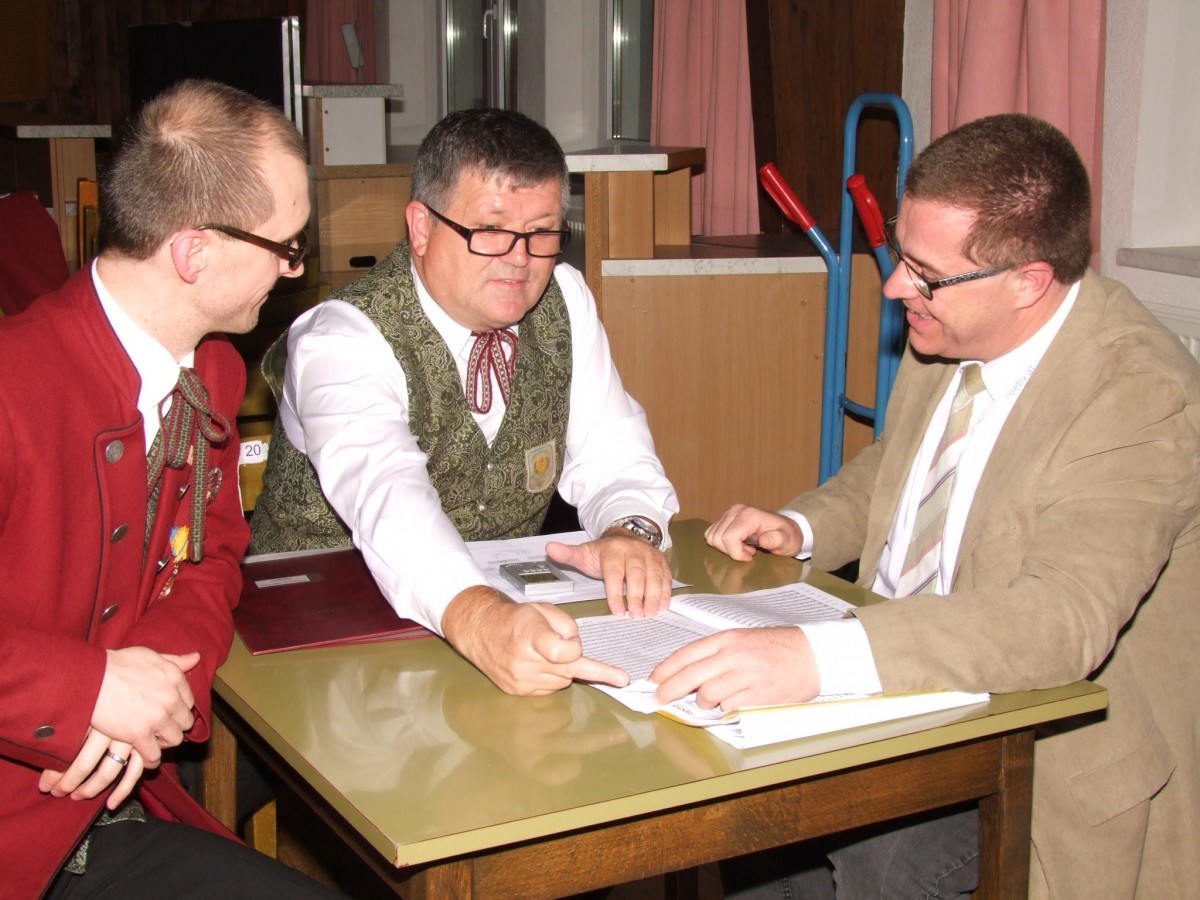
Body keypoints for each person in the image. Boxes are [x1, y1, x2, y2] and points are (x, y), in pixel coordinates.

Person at [654, 114, 1200, 898]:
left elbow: (1060, 620)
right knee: (746, 809)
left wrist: (813, 659)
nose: (895, 287)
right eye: (901, 254)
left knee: (884, 856)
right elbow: (900, 463)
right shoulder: (952, 325)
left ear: (1028, 282)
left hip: (1038, 734)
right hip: (910, 678)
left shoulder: (1137, 396)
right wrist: (804, 526)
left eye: (924, 273)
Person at [0, 80, 343, 897]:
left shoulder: (212, 369)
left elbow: (214, 554)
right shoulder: (13, 384)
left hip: (121, 793)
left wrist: (154, 685)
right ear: (194, 253)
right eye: (287, 245)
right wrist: (89, 690)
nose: (294, 268)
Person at [248, 108, 678, 697]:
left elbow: (612, 451)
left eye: (542, 233)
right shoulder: (341, 337)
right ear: (422, 227)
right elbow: (386, 494)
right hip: (319, 647)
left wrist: (630, 530)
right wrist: (479, 618)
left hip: (500, 621)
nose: (520, 259)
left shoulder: (565, 300)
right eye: (491, 231)